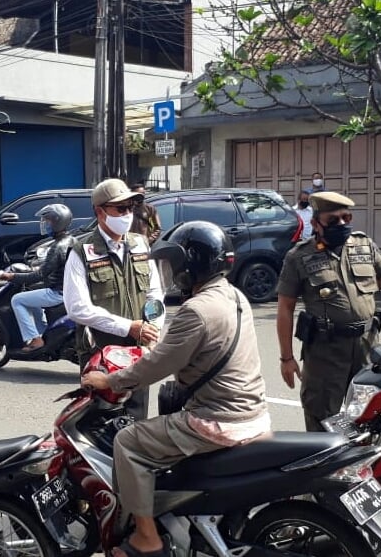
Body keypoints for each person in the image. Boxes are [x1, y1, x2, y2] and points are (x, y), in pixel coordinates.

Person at [81, 221, 270, 557]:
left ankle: (147, 538)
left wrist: (109, 380)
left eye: (175, 264)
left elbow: (156, 367)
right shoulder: (235, 296)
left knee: (128, 442)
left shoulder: (196, 311)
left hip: (218, 420)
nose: (173, 272)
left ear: (192, 262)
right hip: (254, 414)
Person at [275, 191, 381, 431]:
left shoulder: (364, 245)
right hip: (325, 352)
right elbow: (285, 308)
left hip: (367, 347)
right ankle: (325, 467)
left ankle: (361, 465)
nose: (341, 224)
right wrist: (286, 358)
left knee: (367, 416)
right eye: (333, 220)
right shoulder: (299, 256)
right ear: (316, 224)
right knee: (322, 419)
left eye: (346, 218)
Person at [64, 178, 164, 421]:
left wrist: (152, 328)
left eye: (131, 208)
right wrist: (127, 327)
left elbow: (155, 294)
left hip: (138, 354)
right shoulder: (82, 250)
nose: (128, 214)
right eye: (120, 209)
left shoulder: (140, 244)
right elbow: (77, 308)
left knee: (136, 424)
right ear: (100, 212)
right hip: (101, 357)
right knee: (100, 426)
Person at [0, 204, 76, 351]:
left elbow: (40, 275)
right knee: (32, 296)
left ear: (57, 222)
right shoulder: (73, 240)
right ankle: (42, 330)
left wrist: (12, 276)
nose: (45, 224)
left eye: (47, 221)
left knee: (17, 299)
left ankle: (36, 339)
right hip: (68, 290)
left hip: (58, 293)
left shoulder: (57, 246)